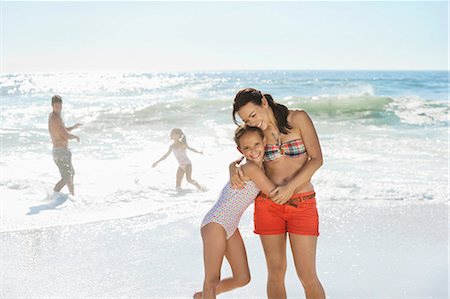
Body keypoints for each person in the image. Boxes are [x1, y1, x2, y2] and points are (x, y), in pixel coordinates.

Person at [230, 88, 326, 299]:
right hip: (268, 206)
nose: (252, 122)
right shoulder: (254, 130)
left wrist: (290, 188)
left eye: (253, 115)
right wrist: (233, 164)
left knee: (307, 275)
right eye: (246, 119)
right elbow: (247, 152)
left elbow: (317, 158)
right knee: (275, 273)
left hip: (302, 203)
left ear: (264, 102)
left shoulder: (297, 118)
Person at [194, 125, 277, 299]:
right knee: (212, 279)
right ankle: (208, 294)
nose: (253, 150)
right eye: (247, 148)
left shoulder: (253, 166)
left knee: (242, 277)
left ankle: (202, 296)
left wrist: (233, 164)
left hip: (230, 225)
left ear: (264, 141)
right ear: (240, 149)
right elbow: (274, 193)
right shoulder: (251, 169)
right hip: (216, 222)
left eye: (256, 144)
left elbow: (239, 161)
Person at [48, 95, 81, 196]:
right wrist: (75, 137)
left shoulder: (56, 116)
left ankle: (72, 197)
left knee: (71, 175)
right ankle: (54, 193)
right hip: (60, 152)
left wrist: (73, 127)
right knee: (67, 176)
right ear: (52, 106)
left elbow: (62, 129)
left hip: (61, 151)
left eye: (60, 107)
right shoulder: (55, 118)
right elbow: (65, 135)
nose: (59, 109)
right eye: (56, 107)